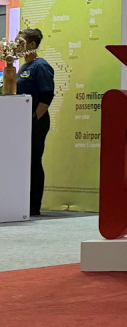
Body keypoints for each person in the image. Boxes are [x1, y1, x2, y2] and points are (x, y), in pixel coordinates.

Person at [16, 28, 54, 216]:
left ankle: (33, 205)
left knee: (33, 161)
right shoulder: (23, 67)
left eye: (20, 42)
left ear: (32, 44)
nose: (17, 46)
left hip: (36, 121)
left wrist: (34, 119)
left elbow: (47, 95)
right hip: (21, 123)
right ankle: (21, 202)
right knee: (23, 162)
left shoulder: (41, 66)